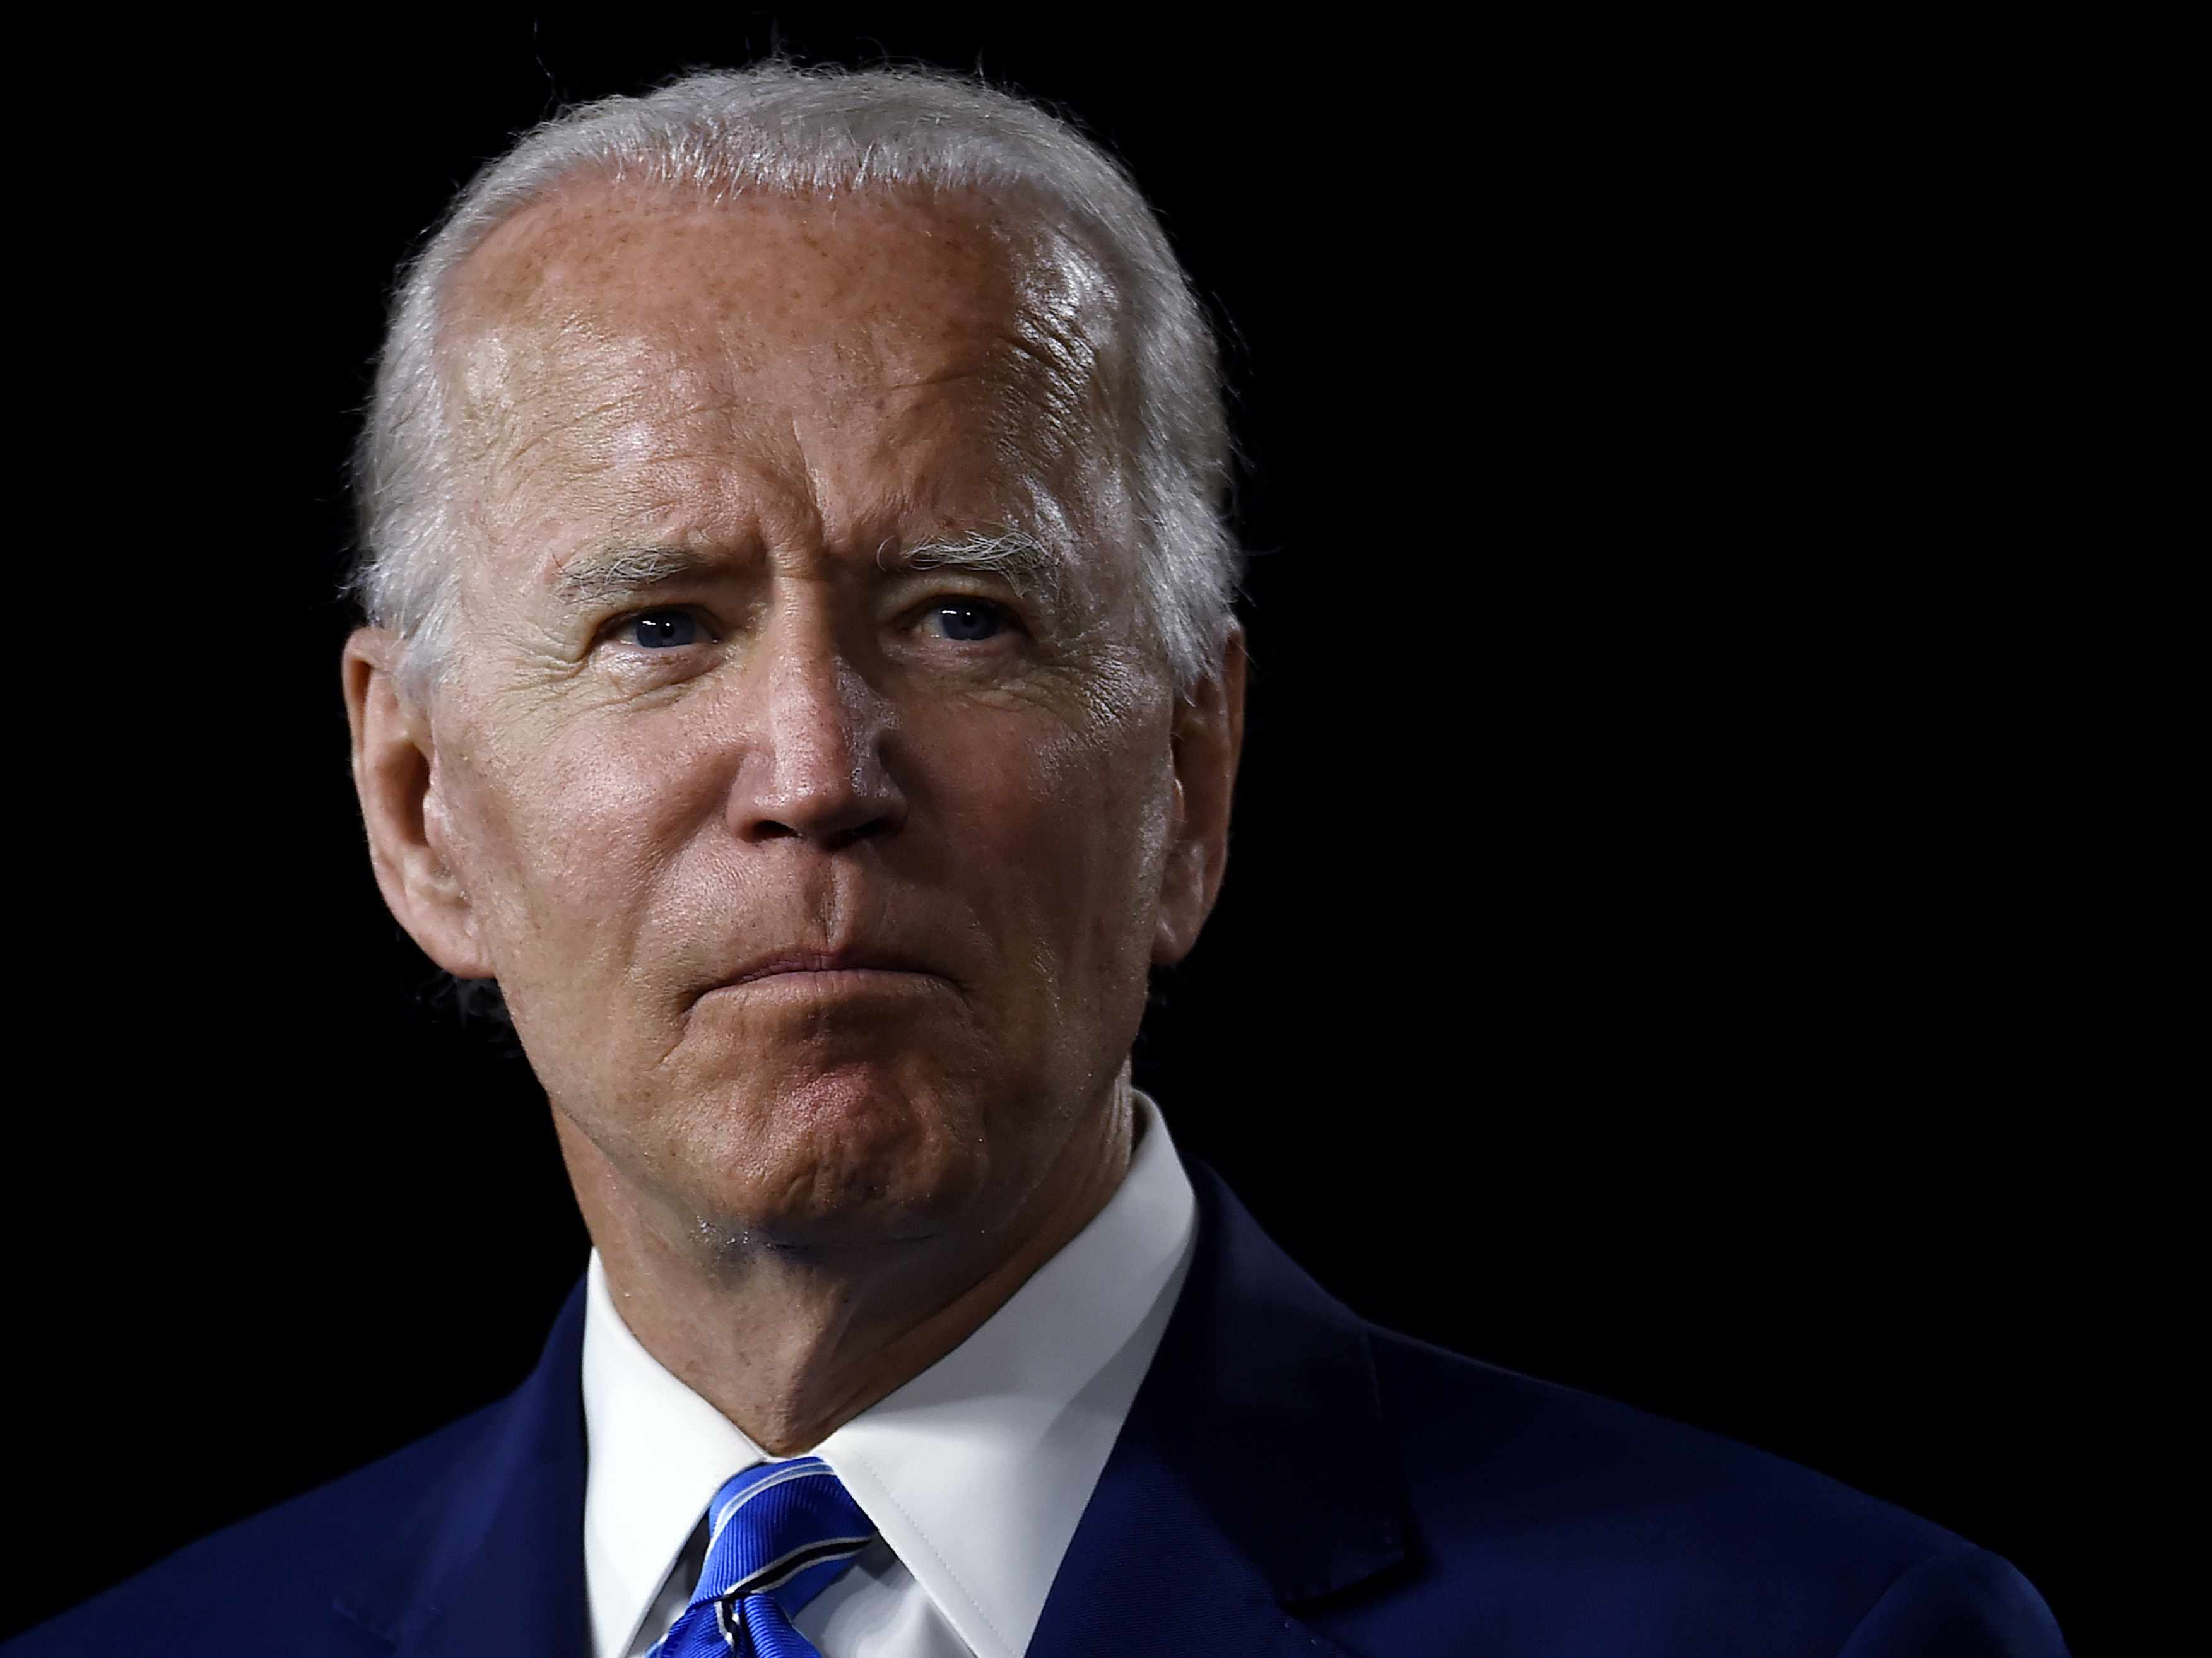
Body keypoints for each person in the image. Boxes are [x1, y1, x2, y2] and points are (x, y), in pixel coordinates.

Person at [9, 64, 2068, 1658]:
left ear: (1189, 768)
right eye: (660, 625)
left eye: (962, 616)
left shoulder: (1806, 1634)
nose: (816, 769)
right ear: (419, 808)